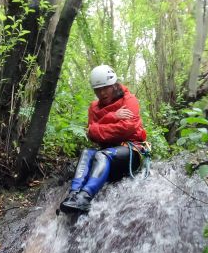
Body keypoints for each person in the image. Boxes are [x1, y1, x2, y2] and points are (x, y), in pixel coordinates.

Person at [59, 64, 148, 214]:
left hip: (131, 152)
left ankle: (85, 197)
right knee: (87, 152)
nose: (102, 93)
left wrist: (98, 128)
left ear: (113, 85)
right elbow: (91, 134)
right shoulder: (94, 108)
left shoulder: (129, 101)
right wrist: (112, 117)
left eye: (105, 88)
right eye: (97, 90)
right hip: (107, 156)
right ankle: (73, 195)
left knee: (102, 154)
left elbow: (127, 129)